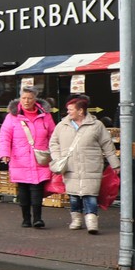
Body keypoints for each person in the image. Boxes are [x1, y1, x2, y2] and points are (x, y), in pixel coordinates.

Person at [48, 94, 119, 234]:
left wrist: (115, 164)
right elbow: (53, 143)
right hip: (70, 166)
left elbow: (107, 145)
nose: (68, 112)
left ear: (80, 111)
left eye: (71, 109)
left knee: (90, 195)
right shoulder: (62, 126)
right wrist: (58, 158)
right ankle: (77, 220)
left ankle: (92, 222)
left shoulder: (97, 125)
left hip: (91, 166)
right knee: (73, 196)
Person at [0, 87, 52, 227]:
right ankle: (26, 219)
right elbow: (4, 136)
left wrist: (54, 152)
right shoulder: (12, 116)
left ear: (35, 99)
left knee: (37, 189)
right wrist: (5, 154)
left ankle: (37, 219)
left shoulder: (45, 116)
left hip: (39, 158)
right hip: (19, 158)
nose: (26, 101)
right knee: (23, 189)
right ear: (20, 99)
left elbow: (53, 135)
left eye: (29, 98)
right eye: (24, 98)